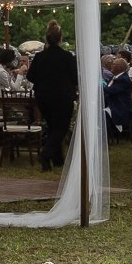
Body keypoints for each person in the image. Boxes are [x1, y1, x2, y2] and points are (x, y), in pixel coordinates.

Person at [31, 20, 79, 172]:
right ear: (60, 39)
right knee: (61, 127)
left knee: (53, 126)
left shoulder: (39, 57)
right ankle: (45, 154)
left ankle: (57, 159)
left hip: (43, 97)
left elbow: (30, 76)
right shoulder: (67, 57)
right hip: (62, 97)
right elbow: (75, 77)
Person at [103, 54, 132, 136]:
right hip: (111, 103)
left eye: (113, 64)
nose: (111, 65)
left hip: (119, 107)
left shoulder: (123, 79)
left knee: (101, 112)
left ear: (119, 67)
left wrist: (99, 87)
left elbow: (112, 90)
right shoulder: (114, 77)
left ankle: (105, 134)